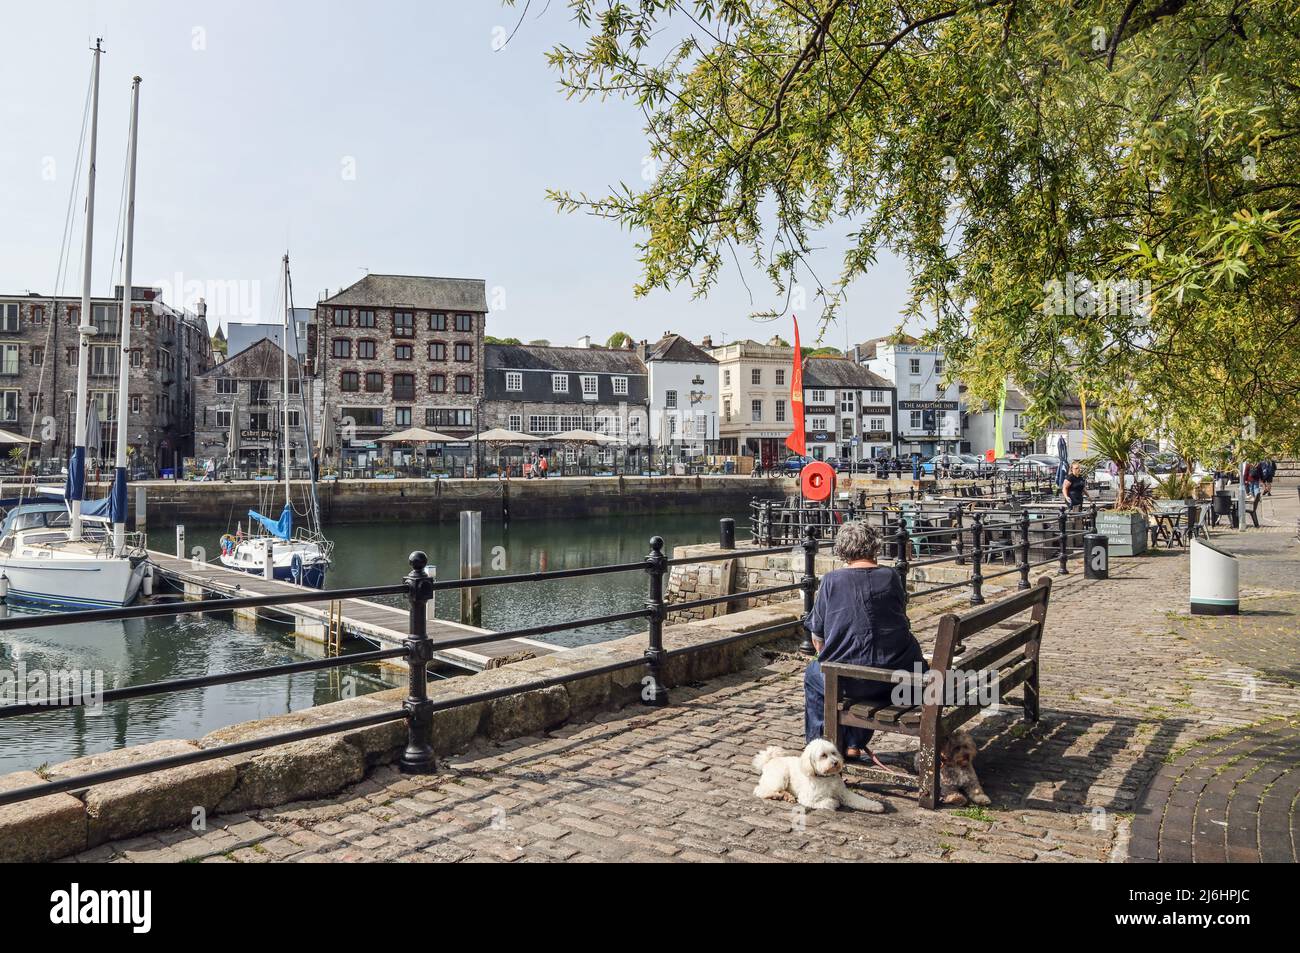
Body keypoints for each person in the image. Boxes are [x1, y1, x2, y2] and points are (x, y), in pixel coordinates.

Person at [803, 521, 927, 762]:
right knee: (865, 665)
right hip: (896, 678)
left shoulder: (832, 581)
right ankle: (852, 742)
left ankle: (820, 747)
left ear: (843, 549)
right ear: (874, 547)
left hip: (853, 680)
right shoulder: (891, 576)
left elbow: (817, 637)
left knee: (815, 674)